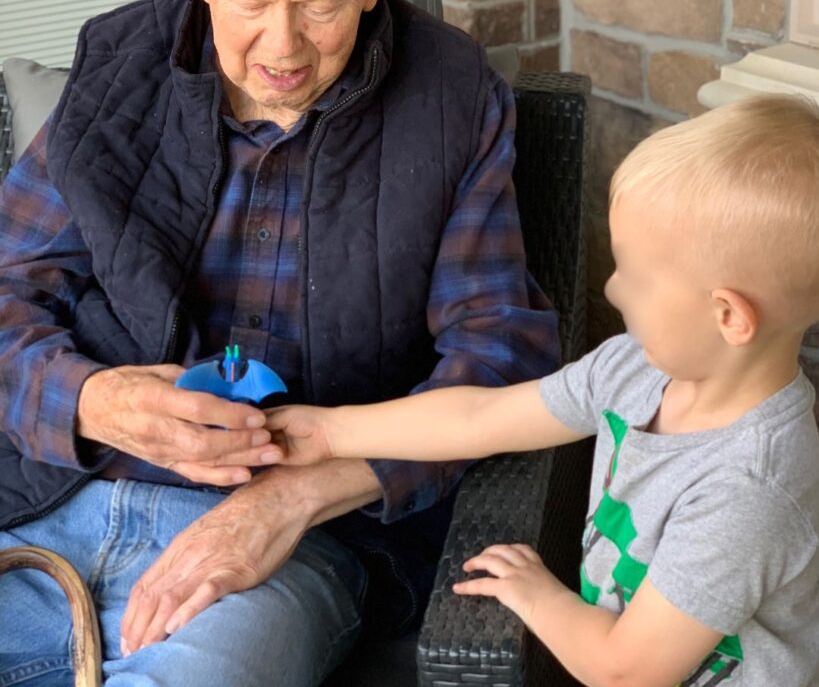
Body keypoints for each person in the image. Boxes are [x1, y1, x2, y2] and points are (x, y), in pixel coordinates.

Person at [0, 0, 559, 685]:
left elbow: (498, 352)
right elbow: (6, 292)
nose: (283, 45)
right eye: (250, 6)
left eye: (316, 5)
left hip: (294, 549)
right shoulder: (117, 71)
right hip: (45, 504)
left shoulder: (452, 98)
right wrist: (89, 400)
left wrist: (301, 491)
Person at [266, 93, 819, 687]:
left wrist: (539, 597)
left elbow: (626, 672)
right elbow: (482, 417)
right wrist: (329, 431)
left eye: (635, 274)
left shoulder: (747, 491)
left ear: (728, 317)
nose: (612, 289)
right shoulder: (639, 369)